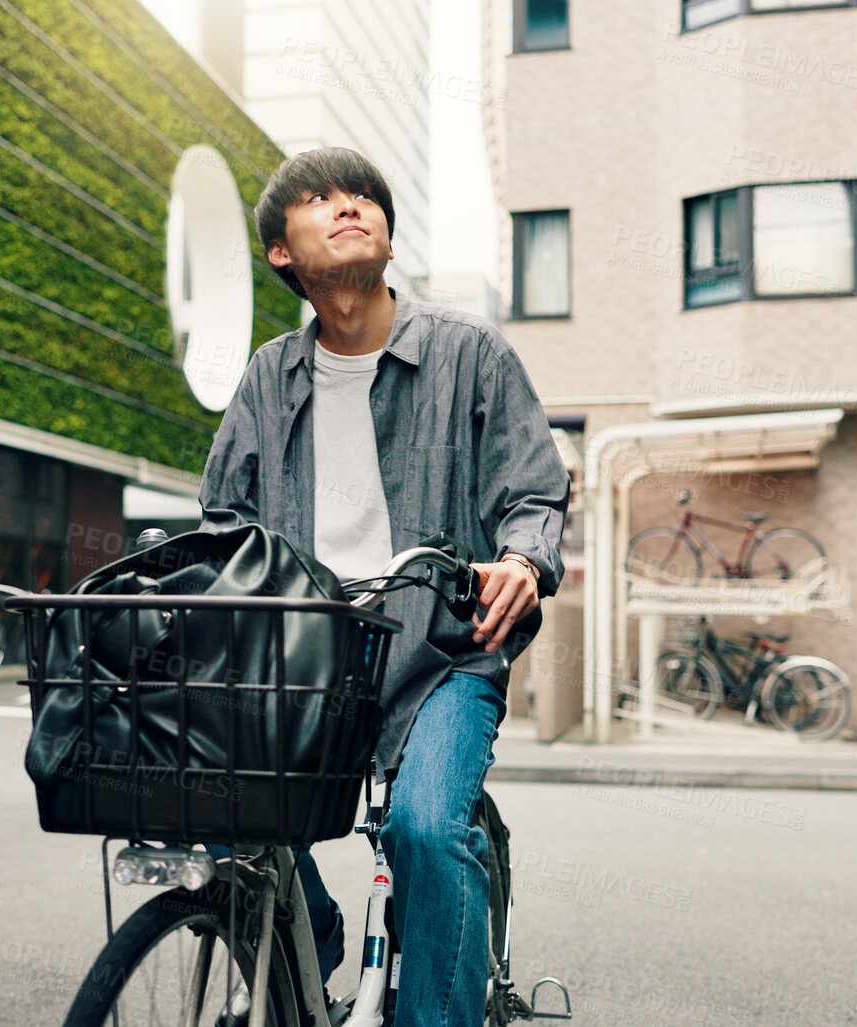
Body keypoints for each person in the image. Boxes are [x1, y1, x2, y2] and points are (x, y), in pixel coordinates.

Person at [198, 147, 569, 1026]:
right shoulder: (266, 377)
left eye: (363, 195)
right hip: (307, 653)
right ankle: (309, 937)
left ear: (389, 235)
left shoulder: (467, 350)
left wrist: (520, 558)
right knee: (210, 793)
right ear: (281, 253)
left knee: (426, 830)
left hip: (441, 651)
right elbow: (223, 518)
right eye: (318, 198)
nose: (347, 205)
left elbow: (532, 488)